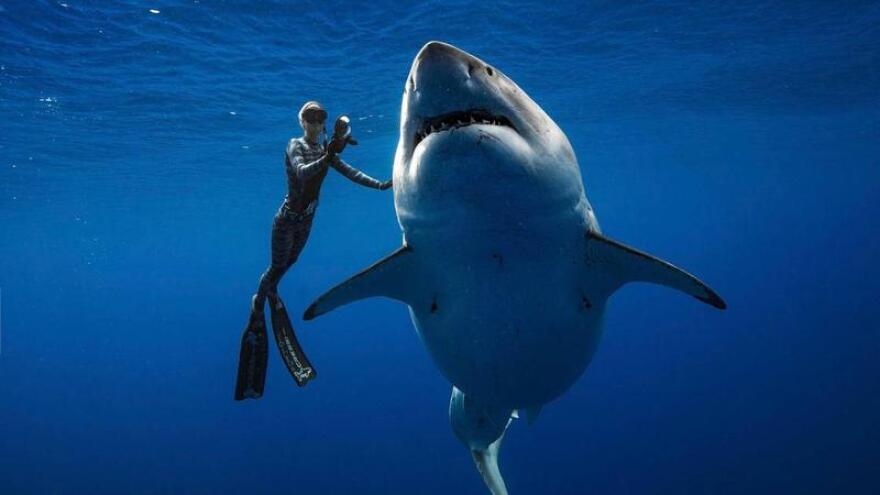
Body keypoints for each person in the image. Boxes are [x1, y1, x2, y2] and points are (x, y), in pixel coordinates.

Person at [235, 101, 392, 400]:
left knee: (289, 263)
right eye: (310, 118)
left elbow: (350, 172)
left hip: (306, 221)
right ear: (302, 122)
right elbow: (302, 172)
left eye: (320, 118)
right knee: (276, 267)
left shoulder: (324, 150)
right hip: (286, 220)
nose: (316, 123)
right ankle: (258, 303)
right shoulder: (295, 145)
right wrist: (329, 155)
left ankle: (270, 290)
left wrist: (382, 185)